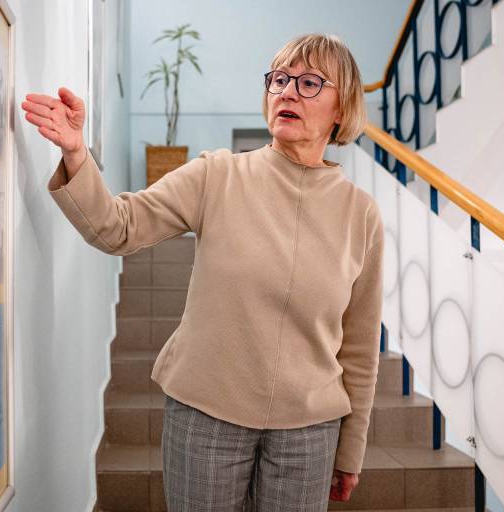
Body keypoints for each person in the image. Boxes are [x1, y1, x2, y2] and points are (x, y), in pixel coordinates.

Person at [22, 33, 383, 512]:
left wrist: (351, 449)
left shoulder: (361, 214)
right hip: (206, 416)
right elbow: (117, 227)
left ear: (343, 107)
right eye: (279, 79)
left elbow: (360, 347)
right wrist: (75, 153)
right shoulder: (217, 175)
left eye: (310, 82)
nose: (288, 92)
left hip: (308, 432)